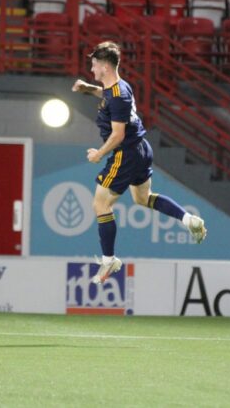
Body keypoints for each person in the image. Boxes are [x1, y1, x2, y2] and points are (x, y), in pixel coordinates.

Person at [72, 41, 207, 284]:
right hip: (141, 149)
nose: (91, 70)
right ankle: (189, 220)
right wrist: (88, 88)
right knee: (142, 198)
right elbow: (108, 96)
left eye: (93, 66)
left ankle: (109, 259)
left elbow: (117, 135)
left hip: (125, 153)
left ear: (104, 66)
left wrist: (99, 154)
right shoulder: (121, 87)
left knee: (100, 205)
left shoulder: (118, 96)